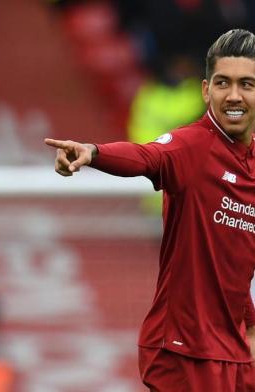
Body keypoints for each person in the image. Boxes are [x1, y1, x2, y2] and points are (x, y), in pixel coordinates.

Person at [45, 28, 255, 391]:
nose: (233, 95)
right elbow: (147, 156)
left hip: (233, 349)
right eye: (223, 83)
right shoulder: (193, 147)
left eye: (246, 84)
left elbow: (232, 262)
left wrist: (248, 321)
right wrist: (94, 152)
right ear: (206, 91)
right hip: (184, 350)